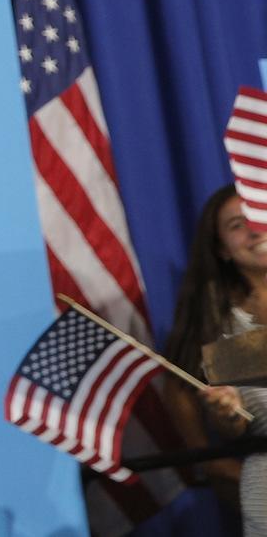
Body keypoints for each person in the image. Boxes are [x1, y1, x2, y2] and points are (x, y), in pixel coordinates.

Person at [163, 184, 265, 527]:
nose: (253, 230)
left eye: (258, 215)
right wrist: (217, 461)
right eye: (237, 225)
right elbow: (239, 424)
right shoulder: (226, 326)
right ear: (221, 249)